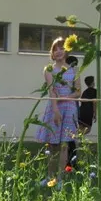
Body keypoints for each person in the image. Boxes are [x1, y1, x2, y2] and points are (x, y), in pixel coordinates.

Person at [36, 38, 81, 180]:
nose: (58, 51)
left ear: (66, 51)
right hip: (54, 107)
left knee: (64, 145)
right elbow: (52, 91)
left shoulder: (74, 69)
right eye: (55, 49)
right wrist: (55, 110)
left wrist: (66, 98)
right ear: (52, 53)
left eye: (61, 48)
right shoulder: (49, 70)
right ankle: (49, 177)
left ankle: (60, 178)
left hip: (69, 109)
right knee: (51, 145)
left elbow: (78, 92)